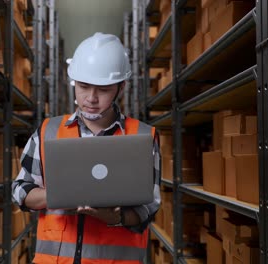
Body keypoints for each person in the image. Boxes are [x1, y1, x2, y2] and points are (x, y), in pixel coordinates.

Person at [12, 32, 161, 264]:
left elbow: (149, 207)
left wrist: (115, 217)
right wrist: (57, 197)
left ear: (120, 88)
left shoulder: (142, 136)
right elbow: (21, 190)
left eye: (102, 89)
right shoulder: (48, 131)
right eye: (83, 86)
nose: (90, 98)